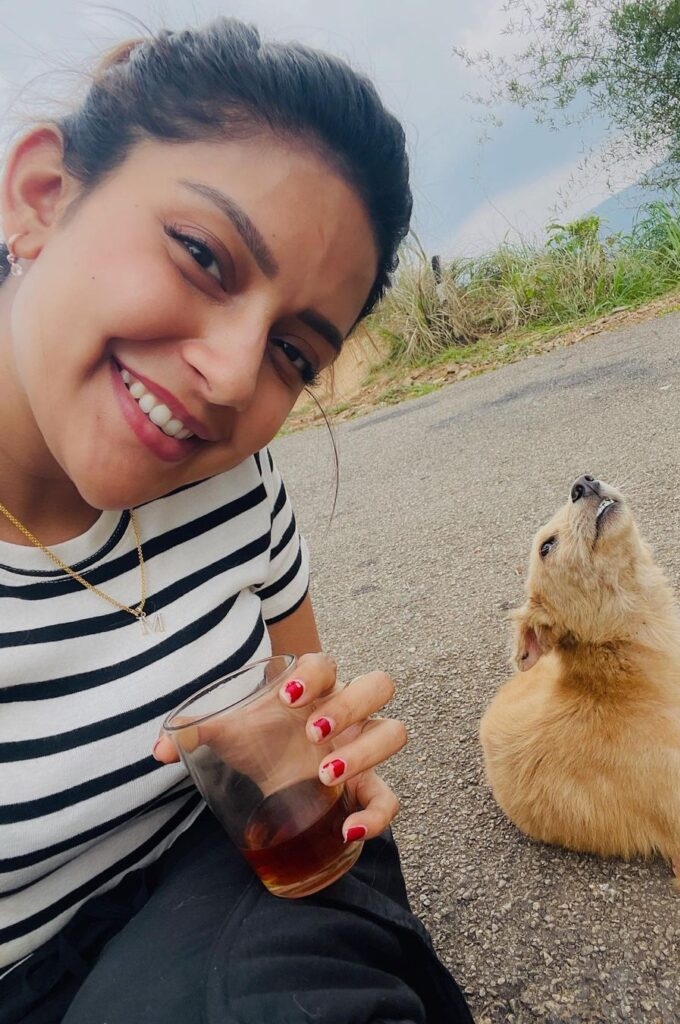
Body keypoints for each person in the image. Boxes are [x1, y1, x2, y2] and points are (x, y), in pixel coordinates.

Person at [0, 18, 473, 1024]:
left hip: (231, 882)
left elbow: (297, 713)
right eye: (203, 255)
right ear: (42, 198)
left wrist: (329, 754)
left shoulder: (233, 470)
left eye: (294, 355)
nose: (228, 376)